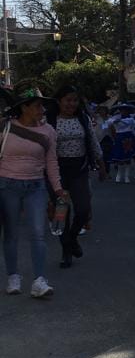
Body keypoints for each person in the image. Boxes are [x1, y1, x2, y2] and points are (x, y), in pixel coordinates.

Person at [1, 82, 65, 298]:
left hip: (36, 187)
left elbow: (52, 162)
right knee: (10, 233)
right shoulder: (5, 128)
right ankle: (13, 276)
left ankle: (39, 280)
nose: (42, 110)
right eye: (37, 106)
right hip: (7, 185)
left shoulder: (49, 131)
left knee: (38, 234)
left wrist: (58, 189)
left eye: (42, 106)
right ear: (24, 107)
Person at [47, 85, 108, 268]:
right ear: (59, 101)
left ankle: (72, 238)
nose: (71, 104)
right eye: (68, 100)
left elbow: (92, 141)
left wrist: (101, 164)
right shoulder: (49, 120)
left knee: (83, 209)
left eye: (74, 100)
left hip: (79, 169)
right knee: (61, 213)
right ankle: (66, 251)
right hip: (56, 171)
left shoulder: (83, 119)